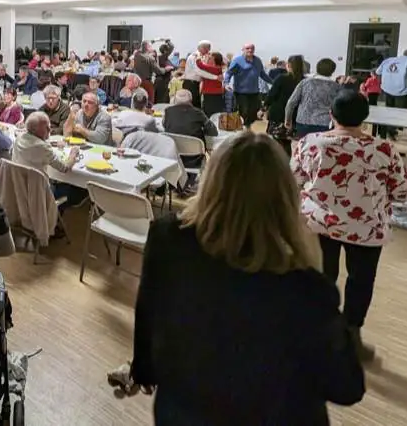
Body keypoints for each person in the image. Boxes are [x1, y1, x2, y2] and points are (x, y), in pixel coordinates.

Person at [128, 133, 365, 423]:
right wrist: (313, 263)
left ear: (210, 181)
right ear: (285, 196)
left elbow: (149, 310)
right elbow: (347, 386)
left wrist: (143, 370)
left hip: (182, 411)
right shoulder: (305, 286)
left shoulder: (168, 237)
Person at [293, 89, 407, 362]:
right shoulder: (384, 149)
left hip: (319, 223)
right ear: (365, 118)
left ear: (331, 115)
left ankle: (319, 333)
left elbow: (295, 179)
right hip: (367, 227)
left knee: (322, 279)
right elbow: (403, 192)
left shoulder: (311, 143)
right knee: (361, 282)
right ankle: (351, 336)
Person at [12, 111, 79, 180]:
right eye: (46, 127)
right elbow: (64, 168)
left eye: (49, 126)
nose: (49, 130)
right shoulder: (43, 147)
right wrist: (73, 153)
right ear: (34, 130)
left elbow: (34, 142)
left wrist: (52, 143)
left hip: (18, 186)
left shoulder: (19, 137)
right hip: (37, 189)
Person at [284, 58, 341, 138]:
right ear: (332, 71)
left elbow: (291, 102)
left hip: (303, 122)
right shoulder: (336, 87)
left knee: (303, 147)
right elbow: (338, 107)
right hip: (324, 123)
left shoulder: (305, 82)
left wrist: (288, 119)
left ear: (317, 68)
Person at [163, 90, 218, 168]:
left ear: (175, 100)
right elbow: (213, 132)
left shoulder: (168, 111)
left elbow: (165, 125)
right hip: (195, 159)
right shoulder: (198, 113)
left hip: (173, 156)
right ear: (191, 101)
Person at [263, 54, 305, 155]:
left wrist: (263, 108)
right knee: (287, 142)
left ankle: (279, 165)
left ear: (288, 65)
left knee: (277, 142)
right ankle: (286, 164)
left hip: (278, 115)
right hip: (294, 116)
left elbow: (271, 95)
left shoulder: (281, 78)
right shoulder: (304, 81)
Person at [224, 43, 272, 128]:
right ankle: (242, 131)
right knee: (243, 113)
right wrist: (226, 83)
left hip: (255, 92)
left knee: (253, 114)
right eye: (247, 48)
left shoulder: (257, 60)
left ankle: (247, 129)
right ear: (243, 50)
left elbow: (262, 74)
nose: (250, 50)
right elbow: (229, 73)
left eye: (252, 48)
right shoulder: (237, 60)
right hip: (241, 93)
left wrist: (273, 82)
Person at [376, 48, 407, 139]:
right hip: (400, 92)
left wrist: (381, 84)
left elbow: (378, 72)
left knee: (389, 110)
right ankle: (391, 131)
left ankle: (387, 131)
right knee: (399, 113)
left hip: (387, 90)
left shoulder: (388, 60)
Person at [182, 40, 218, 105]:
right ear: (203, 48)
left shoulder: (201, 57)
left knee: (196, 104)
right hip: (191, 84)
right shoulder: (195, 56)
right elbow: (199, 71)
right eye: (207, 50)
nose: (208, 52)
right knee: (193, 104)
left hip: (195, 84)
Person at [197, 51, 226, 116]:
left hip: (211, 94)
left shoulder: (215, 68)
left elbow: (200, 65)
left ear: (214, 60)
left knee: (209, 113)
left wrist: (198, 55)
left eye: (210, 58)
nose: (208, 59)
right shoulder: (217, 68)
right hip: (214, 94)